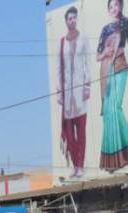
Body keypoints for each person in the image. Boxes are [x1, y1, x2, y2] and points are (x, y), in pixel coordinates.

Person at [59, 6, 91, 178]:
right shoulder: (62, 42)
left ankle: (81, 166)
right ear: (66, 21)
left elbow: (87, 63)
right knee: (70, 135)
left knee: (82, 133)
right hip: (67, 96)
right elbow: (59, 68)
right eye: (69, 18)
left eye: (74, 18)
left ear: (76, 19)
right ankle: (75, 165)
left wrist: (87, 86)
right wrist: (59, 92)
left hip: (80, 93)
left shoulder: (83, 38)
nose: (72, 21)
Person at [98, 0, 128, 171]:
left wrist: (119, 49)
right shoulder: (105, 29)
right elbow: (97, 55)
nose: (113, 9)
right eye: (110, 7)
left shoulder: (125, 22)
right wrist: (104, 53)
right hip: (107, 72)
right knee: (109, 112)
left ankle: (123, 155)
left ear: (121, 6)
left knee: (115, 107)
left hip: (121, 67)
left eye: (116, 5)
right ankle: (112, 161)